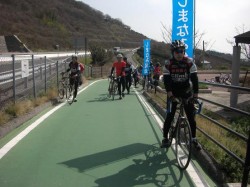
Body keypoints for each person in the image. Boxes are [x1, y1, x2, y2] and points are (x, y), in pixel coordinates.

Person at [161, 40, 201, 150]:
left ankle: (193, 139)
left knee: (191, 117)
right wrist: (170, 95)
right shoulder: (168, 64)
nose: (179, 53)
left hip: (186, 91)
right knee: (170, 116)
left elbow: (195, 79)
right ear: (173, 52)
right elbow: (167, 81)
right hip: (173, 92)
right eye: (177, 51)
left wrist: (196, 95)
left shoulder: (189, 62)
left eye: (181, 51)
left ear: (184, 52)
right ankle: (165, 138)